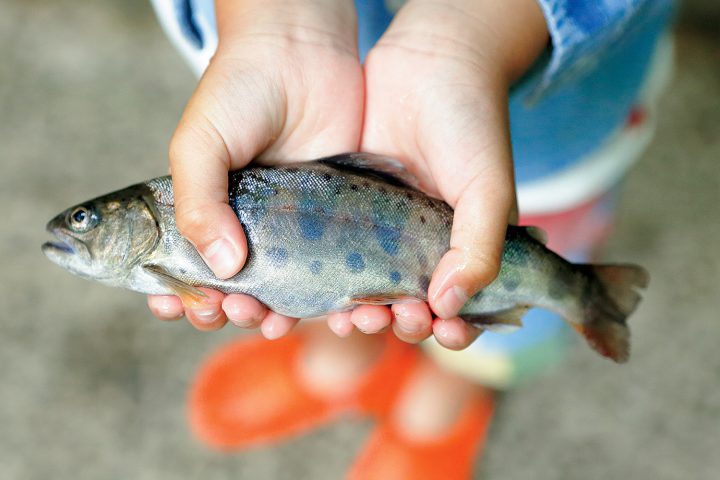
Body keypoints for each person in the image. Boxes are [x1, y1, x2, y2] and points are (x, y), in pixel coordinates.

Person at [147, 0, 675, 477]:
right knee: (321, 282)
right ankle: (346, 356)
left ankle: (455, 393)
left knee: (480, 268)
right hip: (296, 79)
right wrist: (277, 23)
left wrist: (467, 41)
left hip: (551, 129)